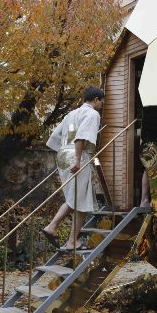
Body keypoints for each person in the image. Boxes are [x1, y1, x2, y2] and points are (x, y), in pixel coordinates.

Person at [42, 86, 104, 251]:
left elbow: (55, 136)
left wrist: (66, 154)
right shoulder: (92, 114)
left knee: (75, 198)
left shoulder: (72, 114)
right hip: (77, 156)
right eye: (101, 101)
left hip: (62, 155)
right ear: (96, 99)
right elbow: (81, 137)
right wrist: (77, 159)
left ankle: (66, 237)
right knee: (81, 200)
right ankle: (63, 235)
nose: (102, 105)